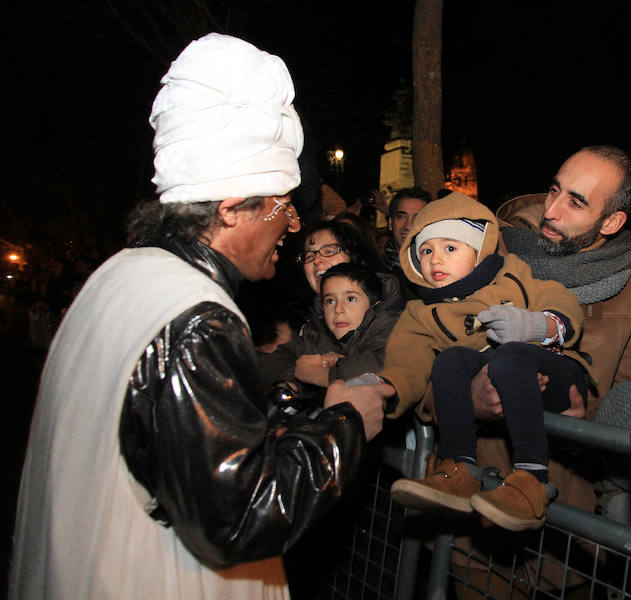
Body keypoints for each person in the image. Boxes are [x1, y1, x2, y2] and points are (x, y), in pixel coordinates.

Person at [9, 33, 391, 600]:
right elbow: (239, 518)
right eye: (283, 205)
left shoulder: (119, 276)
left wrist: (279, 413)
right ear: (234, 208)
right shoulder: (196, 317)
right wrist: (346, 424)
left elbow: (164, 438)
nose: (292, 228)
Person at [459, 146, 631, 595]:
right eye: (555, 189)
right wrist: (466, 398)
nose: (551, 210)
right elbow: (423, 359)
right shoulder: (490, 262)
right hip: (479, 517)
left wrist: (586, 424)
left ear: (611, 222)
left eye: (576, 201)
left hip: (569, 540)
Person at [382, 193, 591, 530]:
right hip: (500, 378)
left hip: (552, 369)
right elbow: (407, 362)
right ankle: (458, 470)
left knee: (508, 354)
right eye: (426, 250)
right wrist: (386, 387)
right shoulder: (420, 313)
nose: (436, 260)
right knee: (450, 360)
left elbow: (556, 296)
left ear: (479, 250)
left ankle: (531, 480)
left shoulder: (512, 273)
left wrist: (537, 324)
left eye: (450, 248)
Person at [260, 262, 403, 399]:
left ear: (374, 305)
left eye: (350, 299)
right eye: (330, 301)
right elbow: (270, 362)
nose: (338, 309)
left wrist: (321, 373)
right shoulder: (319, 333)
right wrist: (299, 376)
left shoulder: (390, 326)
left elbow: (384, 366)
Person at [382, 186, 432, 295]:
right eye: (402, 217)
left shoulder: (439, 268)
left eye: (417, 218)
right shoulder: (375, 269)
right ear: (390, 223)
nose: (408, 226)